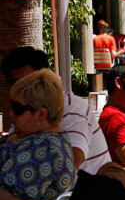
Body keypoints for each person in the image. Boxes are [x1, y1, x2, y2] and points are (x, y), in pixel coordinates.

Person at [1, 46, 111, 174]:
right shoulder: (24, 109)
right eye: (15, 82)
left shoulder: (72, 108)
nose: (22, 86)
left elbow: (71, 165)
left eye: (28, 81)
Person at [0, 69, 75, 200]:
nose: (11, 113)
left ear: (41, 114)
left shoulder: (45, 150)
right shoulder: (31, 136)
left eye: (18, 108)